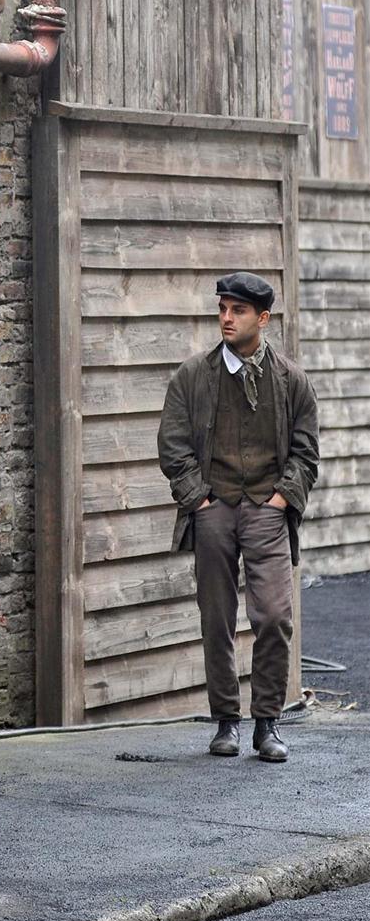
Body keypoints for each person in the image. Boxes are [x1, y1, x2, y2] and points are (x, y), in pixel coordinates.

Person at [158, 272, 319, 762]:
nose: (227, 317)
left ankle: (266, 723)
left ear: (262, 319)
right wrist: (200, 501)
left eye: (239, 310)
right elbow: (172, 445)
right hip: (214, 510)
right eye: (223, 308)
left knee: (273, 615)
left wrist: (280, 500)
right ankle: (226, 720)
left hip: (267, 512)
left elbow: (306, 452)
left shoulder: (291, 380)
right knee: (217, 617)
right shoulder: (192, 376)